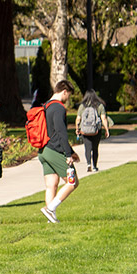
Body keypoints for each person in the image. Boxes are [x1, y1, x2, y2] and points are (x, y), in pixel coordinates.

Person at [39, 80, 81, 224]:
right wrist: (68, 154)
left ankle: (51, 219)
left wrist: (71, 151)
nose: (68, 98)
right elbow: (61, 133)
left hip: (43, 150)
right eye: (68, 95)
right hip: (55, 150)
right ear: (64, 91)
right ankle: (50, 209)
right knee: (73, 182)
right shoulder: (58, 108)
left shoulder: (45, 106)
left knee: (52, 185)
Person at [74, 89, 111, 172]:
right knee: (95, 148)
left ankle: (88, 164)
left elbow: (78, 119)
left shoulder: (82, 106)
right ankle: (94, 166)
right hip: (96, 130)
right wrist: (106, 129)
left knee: (87, 148)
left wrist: (77, 129)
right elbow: (103, 118)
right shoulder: (99, 105)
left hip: (84, 130)